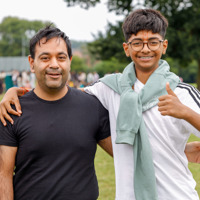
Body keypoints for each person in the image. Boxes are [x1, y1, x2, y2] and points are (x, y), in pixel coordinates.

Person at [0, 9, 200, 200]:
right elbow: (62, 94)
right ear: (126, 48)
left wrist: (186, 113)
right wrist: (15, 91)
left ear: (164, 46)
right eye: (137, 42)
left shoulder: (182, 92)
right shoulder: (109, 88)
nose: (145, 49)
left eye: (153, 42)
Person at [0, 25, 112, 200]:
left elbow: (125, 155)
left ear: (69, 61)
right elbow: (3, 175)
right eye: (45, 58)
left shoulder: (92, 106)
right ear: (31, 63)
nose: (54, 64)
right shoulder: (12, 111)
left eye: (61, 57)